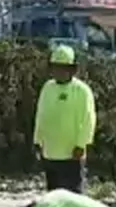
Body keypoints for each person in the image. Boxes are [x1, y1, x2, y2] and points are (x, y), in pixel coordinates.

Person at [33, 44, 95, 194]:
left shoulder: (82, 90)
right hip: (51, 152)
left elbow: (89, 119)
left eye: (63, 68)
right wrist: (37, 140)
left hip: (71, 154)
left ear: (72, 70)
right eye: (55, 67)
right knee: (53, 195)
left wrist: (81, 144)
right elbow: (40, 114)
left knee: (73, 194)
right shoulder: (48, 88)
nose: (59, 72)